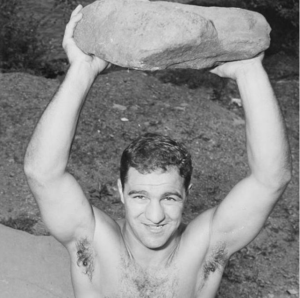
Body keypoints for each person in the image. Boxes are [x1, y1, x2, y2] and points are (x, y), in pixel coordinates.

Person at [24, 5, 291, 298]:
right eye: (140, 196)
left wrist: (250, 71)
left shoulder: (202, 252)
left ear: (187, 191)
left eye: (169, 197)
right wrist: (81, 71)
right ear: (121, 191)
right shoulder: (95, 246)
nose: (155, 216)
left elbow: (271, 179)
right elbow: (42, 174)